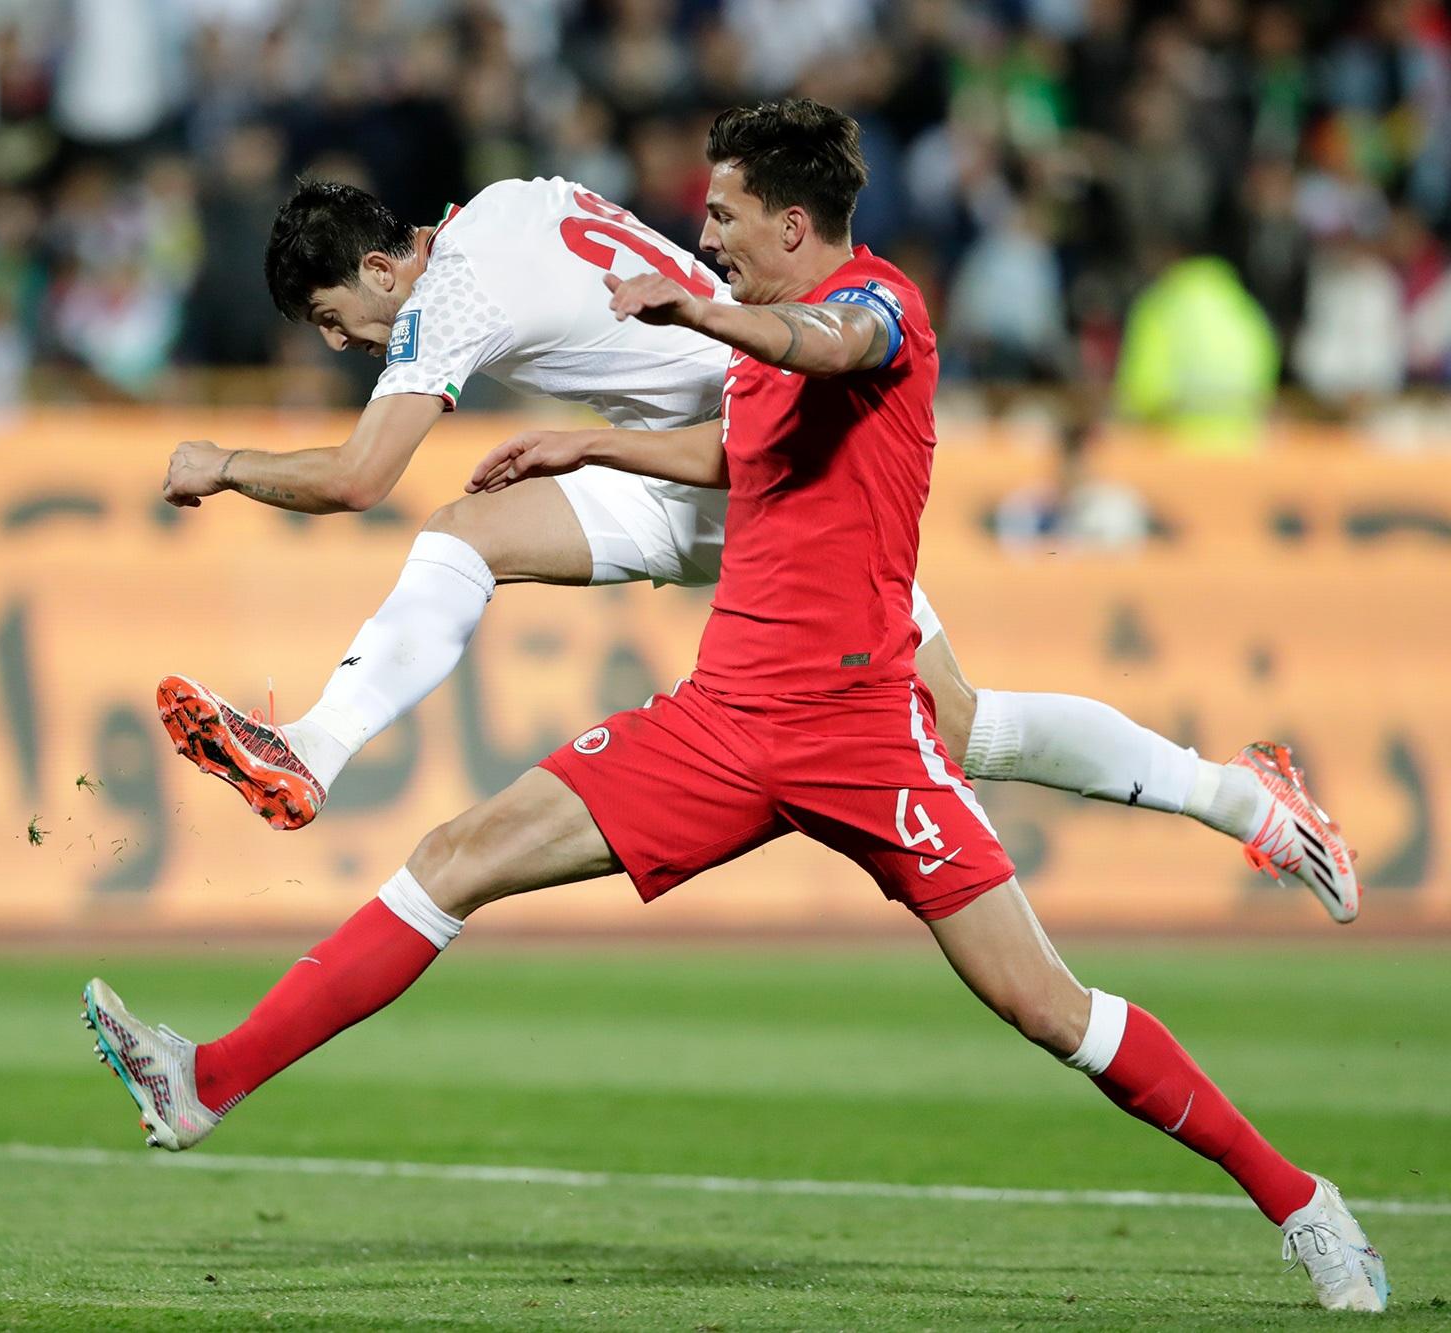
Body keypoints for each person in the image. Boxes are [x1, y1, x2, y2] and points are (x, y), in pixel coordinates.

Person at [90, 102, 1387, 1314]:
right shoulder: (739, 345)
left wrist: (697, 317)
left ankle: (1301, 1198)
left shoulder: (874, 309)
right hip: (722, 723)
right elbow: (731, 452)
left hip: (860, 735)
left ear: (791, 224)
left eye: (721, 216)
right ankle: (207, 1080)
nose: (701, 236)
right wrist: (594, 439)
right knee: (454, 855)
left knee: (1048, 1003)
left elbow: (833, 344)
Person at [151, 172, 1355, 920]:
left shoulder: (446, 295)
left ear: (380, 268)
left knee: (958, 726)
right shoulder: (514, 199)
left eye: (335, 319)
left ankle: (1232, 793)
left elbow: (357, 477)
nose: (342, 344)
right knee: (464, 535)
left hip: (774, 467)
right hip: (711, 463)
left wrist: (224, 463)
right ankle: (314, 748)